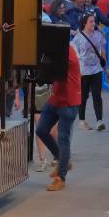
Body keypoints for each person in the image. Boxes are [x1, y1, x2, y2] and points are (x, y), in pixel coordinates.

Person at [35, 43, 81, 192]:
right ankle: (63, 160)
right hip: (56, 99)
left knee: (63, 139)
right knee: (41, 130)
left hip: (69, 102)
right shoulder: (57, 51)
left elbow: (50, 71)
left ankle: (61, 177)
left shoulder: (67, 55)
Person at [72, 13, 107, 131]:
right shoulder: (78, 38)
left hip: (97, 69)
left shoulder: (99, 35)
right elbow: (74, 56)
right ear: (84, 23)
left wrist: (106, 69)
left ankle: (99, 121)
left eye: (94, 21)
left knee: (97, 95)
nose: (93, 24)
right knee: (83, 96)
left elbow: (102, 52)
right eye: (91, 21)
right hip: (83, 71)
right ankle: (82, 121)